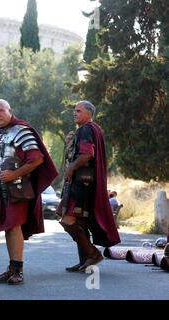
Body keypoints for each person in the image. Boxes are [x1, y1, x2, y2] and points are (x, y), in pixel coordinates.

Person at [0, 99, 57, 284]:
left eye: (1, 111)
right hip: (0, 188)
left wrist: (14, 173)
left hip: (18, 189)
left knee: (14, 226)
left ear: (10, 110)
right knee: (8, 227)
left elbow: (37, 159)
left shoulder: (21, 130)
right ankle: (12, 268)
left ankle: (18, 270)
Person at [57, 100, 120, 272]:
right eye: (74, 110)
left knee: (67, 220)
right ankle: (84, 261)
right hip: (88, 185)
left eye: (78, 110)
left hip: (81, 186)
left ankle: (93, 254)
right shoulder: (95, 129)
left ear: (88, 113)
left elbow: (87, 154)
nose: (74, 113)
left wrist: (71, 168)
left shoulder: (86, 129)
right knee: (81, 224)